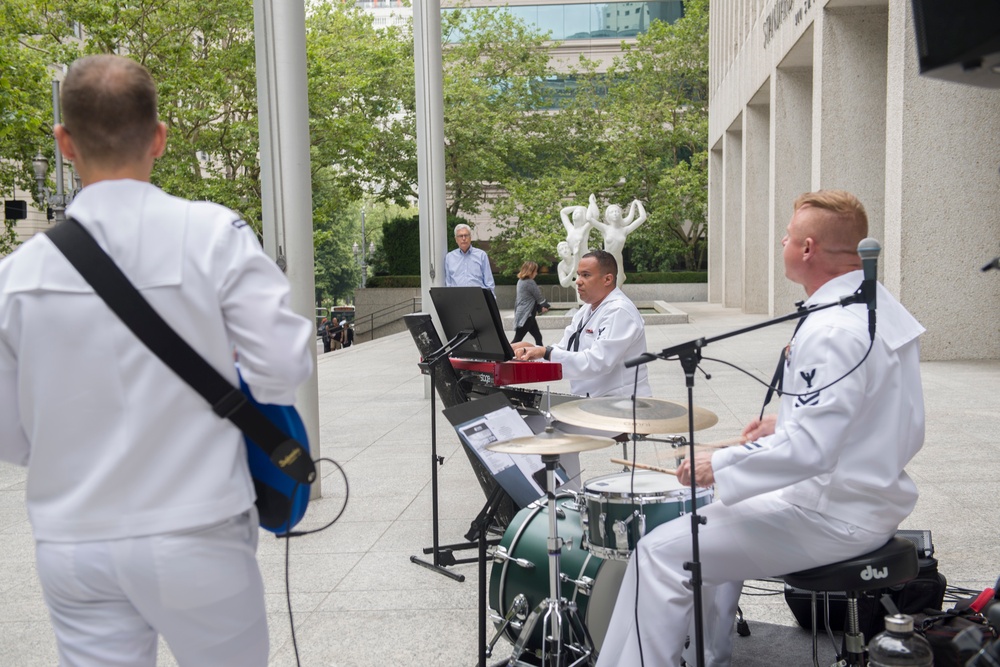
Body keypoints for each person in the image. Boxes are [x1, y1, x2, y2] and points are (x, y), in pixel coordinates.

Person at [0, 55, 314, 667]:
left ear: (64, 143)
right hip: (198, 528)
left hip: (75, 541)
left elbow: (10, 437)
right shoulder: (213, 235)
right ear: (159, 138)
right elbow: (283, 366)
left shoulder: (17, 277)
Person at [596, 190, 926, 667]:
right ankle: (708, 655)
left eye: (788, 236)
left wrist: (721, 461)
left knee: (659, 553)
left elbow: (811, 452)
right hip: (867, 499)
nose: (782, 243)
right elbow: (890, 412)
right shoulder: (876, 306)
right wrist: (786, 421)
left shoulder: (832, 329)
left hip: (833, 512)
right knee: (717, 512)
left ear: (807, 248)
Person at [513, 250, 651, 485]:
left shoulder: (619, 311)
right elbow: (563, 348)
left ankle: (569, 502)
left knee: (557, 435)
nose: (578, 281)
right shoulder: (586, 310)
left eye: (586, 275)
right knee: (524, 424)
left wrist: (545, 352)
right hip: (588, 402)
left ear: (607, 279)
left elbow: (597, 362)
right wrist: (533, 350)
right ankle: (533, 495)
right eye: (578, 275)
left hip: (620, 406)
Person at [586, 194, 647, 287]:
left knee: (618, 285)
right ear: (608, 216)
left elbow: (642, 218)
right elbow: (589, 218)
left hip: (618, 260)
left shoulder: (624, 230)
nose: (615, 213)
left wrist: (637, 203)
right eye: (612, 212)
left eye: (617, 211)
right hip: (606, 260)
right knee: (604, 285)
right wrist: (591, 202)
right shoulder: (605, 228)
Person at [444, 223, 495, 294]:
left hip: (478, 299)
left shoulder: (481, 255)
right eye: (460, 236)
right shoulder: (449, 257)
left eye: (466, 235)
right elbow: (448, 283)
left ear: (470, 237)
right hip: (457, 299)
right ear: (456, 239)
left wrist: (491, 302)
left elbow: (489, 282)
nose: (464, 238)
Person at [512, 261, 550, 345]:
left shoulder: (520, 281)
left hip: (526, 314)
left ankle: (541, 355)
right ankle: (506, 356)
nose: (536, 273)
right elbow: (539, 297)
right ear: (530, 271)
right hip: (526, 316)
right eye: (535, 271)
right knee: (517, 340)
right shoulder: (529, 282)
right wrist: (546, 305)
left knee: (538, 337)